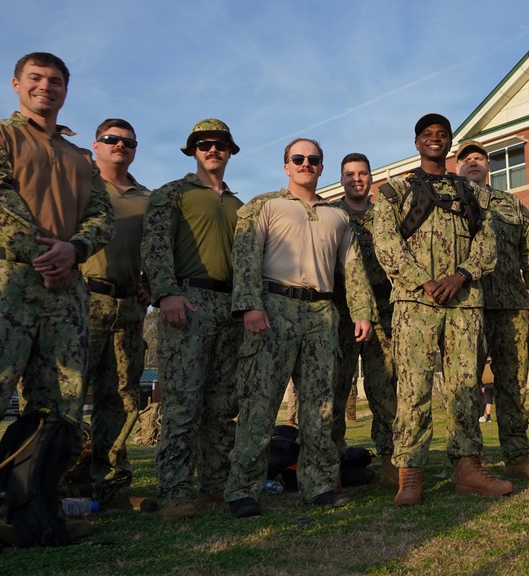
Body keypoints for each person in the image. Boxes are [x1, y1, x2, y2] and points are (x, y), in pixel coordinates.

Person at [0, 52, 114, 566]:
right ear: (17, 83)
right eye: (37, 79)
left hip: (65, 287)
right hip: (3, 282)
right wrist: (45, 251)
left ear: (67, 89)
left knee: (60, 407)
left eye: (56, 81)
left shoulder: (80, 159)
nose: (46, 87)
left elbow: (101, 215)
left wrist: (76, 249)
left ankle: (36, 507)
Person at [224, 138, 376, 517]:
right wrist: (249, 305)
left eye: (314, 159)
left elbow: (353, 269)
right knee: (260, 404)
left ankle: (319, 485)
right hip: (273, 308)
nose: (306, 163)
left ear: (322, 168)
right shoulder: (265, 206)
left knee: (320, 406)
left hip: (322, 315)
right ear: (286, 166)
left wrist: (362, 312)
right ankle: (243, 490)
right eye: (298, 158)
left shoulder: (338, 217)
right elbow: (245, 257)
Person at [373, 113, 512, 507]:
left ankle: (468, 468)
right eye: (427, 134)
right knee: (413, 386)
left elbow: (488, 244)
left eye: (442, 135)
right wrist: (423, 280)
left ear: (450, 144)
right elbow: (385, 244)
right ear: (416, 143)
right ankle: (410, 473)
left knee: (466, 386)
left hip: (464, 302)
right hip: (414, 303)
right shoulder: (395, 192)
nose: (435, 139)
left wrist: (461, 275)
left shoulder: (472, 193)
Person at [142, 119, 244, 519]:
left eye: (220, 144)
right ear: (193, 150)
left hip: (229, 307)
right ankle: (175, 491)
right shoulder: (173, 193)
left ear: (230, 151)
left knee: (222, 404)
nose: (212, 149)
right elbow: (155, 245)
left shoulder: (239, 206)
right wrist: (166, 292)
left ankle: (214, 485)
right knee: (183, 402)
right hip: (187, 300)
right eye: (204, 144)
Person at [456, 139, 529, 480]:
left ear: (488, 166)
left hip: (510, 305)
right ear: (457, 167)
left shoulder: (511, 205)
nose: (474, 162)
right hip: (467, 309)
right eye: (467, 158)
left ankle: (518, 456)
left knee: (513, 385)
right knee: (465, 387)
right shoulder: (449, 202)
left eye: (480, 157)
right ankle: (468, 462)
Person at [83, 119, 157, 512]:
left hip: (128, 306)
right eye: (111, 139)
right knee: (65, 394)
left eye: (128, 141)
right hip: (83, 300)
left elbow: (155, 248)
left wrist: (148, 284)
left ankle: (110, 485)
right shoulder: (82, 185)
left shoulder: (147, 197)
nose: (120, 146)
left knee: (121, 397)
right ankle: (56, 484)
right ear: (96, 145)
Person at [331, 152, 399, 488]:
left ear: (371, 178)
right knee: (335, 389)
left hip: (384, 313)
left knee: (385, 389)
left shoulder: (385, 215)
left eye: (362, 173)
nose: (356, 179)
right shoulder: (330, 215)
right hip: (342, 314)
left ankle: (390, 461)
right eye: (349, 174)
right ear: (341, 179)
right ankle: (330, 464)